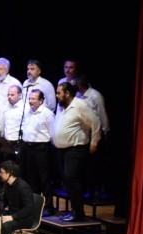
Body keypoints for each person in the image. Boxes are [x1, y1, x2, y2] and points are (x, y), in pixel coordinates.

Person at [52, 82, 100, 222]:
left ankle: (78, 212)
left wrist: (94, 143)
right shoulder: (61, 106)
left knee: (71, 178)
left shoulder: (80, 105)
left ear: (67, 93)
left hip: (76, 149)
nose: (56, 95)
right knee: (67, 181)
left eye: (59, 93)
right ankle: (74, 210)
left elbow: (96, 122)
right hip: (61, 150)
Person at [22, 89, 55, 215]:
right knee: (32, 178)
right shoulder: (28, 112)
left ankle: (48, 206)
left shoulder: (47, 113)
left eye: (33, 99)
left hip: (41, 148)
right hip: (28, 147)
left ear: (41, 100)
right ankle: (35, 205)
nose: (30, 101)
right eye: (29, 98)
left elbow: (52, 133)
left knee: (44, 178)